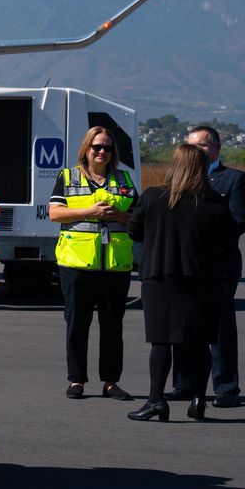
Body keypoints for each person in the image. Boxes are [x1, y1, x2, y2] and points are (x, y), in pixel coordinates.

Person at [125, 144, 239, 422]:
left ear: (174, 165)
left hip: (160, 278)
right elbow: (228, 240)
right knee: (199, 343)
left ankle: (156, 400)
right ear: (201, 167)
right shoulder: (214, 203)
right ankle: (199, 400)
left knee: (161, 343)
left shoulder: (153, 197)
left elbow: (134, 231)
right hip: (203, 281)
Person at [48, 126, 136, 401]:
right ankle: (76, 380)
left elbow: (137, 219)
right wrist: (89, 211)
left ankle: (111, 382)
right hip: (77, 265)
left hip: (114, 266)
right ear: (86, 148)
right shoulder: (68, 176)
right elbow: (54, 213)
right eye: (96, 146)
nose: (101, 152)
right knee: (77, 325)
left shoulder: (124, 179)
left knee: (113, 327)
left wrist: (118, 216)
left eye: (107, 148)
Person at [169, 126, 244, 408]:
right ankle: (183, 385)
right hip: (183, 264)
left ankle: (226, 388)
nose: (194, 151)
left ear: (215, 148)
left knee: (220, 327)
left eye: (199, 146)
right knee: (182, 326)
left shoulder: (233, 180)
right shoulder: (180, 180)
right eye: (190, 146)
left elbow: (238, 222)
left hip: (218, 265)